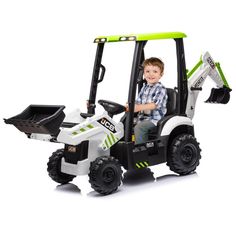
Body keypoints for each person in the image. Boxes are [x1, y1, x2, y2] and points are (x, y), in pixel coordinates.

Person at [126, 57, 168, 144]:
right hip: (142, 118)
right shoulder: (144, 88)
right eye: (147, 71)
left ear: (161, 74)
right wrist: (129, 105)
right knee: (124, 124)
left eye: (155, 71)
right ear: (144, 74)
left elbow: (154, 105)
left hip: (154, 120)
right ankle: (124, 149)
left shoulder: (161, 89)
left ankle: (140, 153)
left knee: (139, 128)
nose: (151, 74)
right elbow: (138, 101)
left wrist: (138, 107)